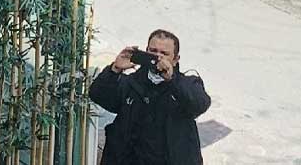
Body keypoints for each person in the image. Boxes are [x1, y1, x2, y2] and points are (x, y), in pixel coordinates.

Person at [89, 29, 211, 165]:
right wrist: (114, 70)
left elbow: (200, 104)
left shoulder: (187, 84)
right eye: (153, 51)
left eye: (164, 54)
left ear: (175, 59)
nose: (158, 57)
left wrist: (172, 80)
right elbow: (97, 94)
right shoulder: (130, 83)